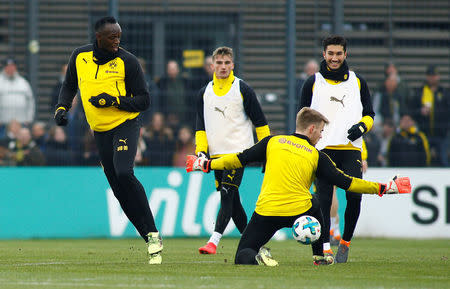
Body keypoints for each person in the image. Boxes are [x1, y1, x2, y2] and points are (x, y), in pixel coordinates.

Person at [186, 107, 411, 266]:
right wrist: (385, 188)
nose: (322, 136)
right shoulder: (316, 155)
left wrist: (206, 164)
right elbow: (348, 182)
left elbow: (237, 158)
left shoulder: (272, 142)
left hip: (266, 212)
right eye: (321, 131)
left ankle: (255, 257)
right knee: (317, 201)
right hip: (300, 212)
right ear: (312, 129)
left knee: (242, 255)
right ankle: (321, 254)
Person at [53, 16, 163, 264]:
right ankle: (149, 239)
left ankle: (154, 232)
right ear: (98, 37)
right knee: (116, 187)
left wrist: (114, 101)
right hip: (99, 131)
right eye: (112, 37)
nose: (117, 41)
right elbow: (69, 86)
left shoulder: (128, 61)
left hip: (125, 124)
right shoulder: (79, 57)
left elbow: (144, 100)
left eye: (119, 37)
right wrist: (61, 108)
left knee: (124, 172)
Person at [298, 35, 376, 263]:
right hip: (321, 150)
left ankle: (345, 243)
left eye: (338, 54)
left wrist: (362, 127)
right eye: (330, 54)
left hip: (351, 149)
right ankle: (324, 247)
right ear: (323, 54)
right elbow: (302, 118)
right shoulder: (312, 82)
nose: (334, 58)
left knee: (354, 197)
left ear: (345, 54)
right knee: (322, 199)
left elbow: (370, 114)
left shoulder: (358, 81)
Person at [195, 46, 270, 255]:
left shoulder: (242, 89)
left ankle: (213, 241)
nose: (223, 67)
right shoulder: (204, 93)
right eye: (219, 63)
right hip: (216, 156)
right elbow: (200, 127)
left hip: (239, 153)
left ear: (233, 65)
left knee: (227, 195)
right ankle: (255, 246)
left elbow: (260, 123)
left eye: (227, 63)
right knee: (234, 202)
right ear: (212, 65)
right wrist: (201, 152)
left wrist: (267, 150)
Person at [415, 65, 449, 167]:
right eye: (430, 75)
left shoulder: (444, 93)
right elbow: (412, 110)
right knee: (424, 160)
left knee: (443, 159)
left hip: (442, 134)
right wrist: (420, 111)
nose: (432, 78)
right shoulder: (420, 92)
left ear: (438, 77)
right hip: (424, 133)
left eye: (434, 75)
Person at [0, 58, 35, 134]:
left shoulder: (23, 82)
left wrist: (29, 119)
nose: (11, 68)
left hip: (21, 123)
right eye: (8, 66)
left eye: (12, 66)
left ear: (15, 68)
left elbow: (30, 101)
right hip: (2, 124)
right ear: (4, 68)